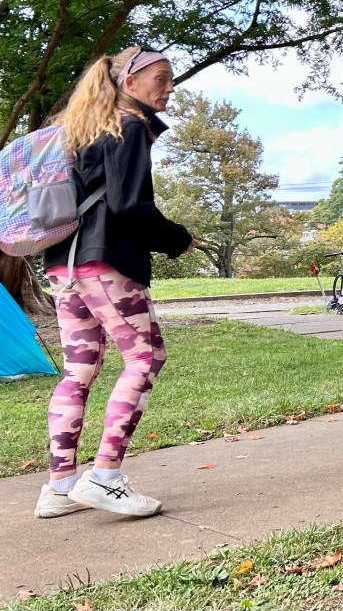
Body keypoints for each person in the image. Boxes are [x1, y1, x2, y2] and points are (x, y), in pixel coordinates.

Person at [35, 47, 197, 519]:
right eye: (162, 78)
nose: (169, 88)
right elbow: (130, 207)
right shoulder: (129, 128)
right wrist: (177, 238)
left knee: (77, 371)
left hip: (64, 268)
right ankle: (104, 476)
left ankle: (59, 486)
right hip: (105, 265)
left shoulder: (79, 133)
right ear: (129, 83)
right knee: (146, 357)